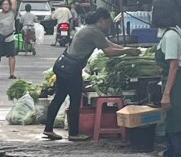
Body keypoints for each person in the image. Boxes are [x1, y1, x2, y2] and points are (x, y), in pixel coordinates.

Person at [43, 9, 137, 141]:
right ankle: (74, 134)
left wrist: (127, 49)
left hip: (63, 65)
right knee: (75, 100)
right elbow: (108, 51)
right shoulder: (94, 32)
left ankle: (48, 129)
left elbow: (109, 44)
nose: (108, 26)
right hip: (71, 69)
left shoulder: (88, 29)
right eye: (107, 23)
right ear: (101, 21)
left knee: (59, 97)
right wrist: (127, 51)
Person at [148, 0, 181, 157]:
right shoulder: (174, 31)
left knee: (175, 127)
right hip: (174, 82)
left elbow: (174, 66)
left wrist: (166, 94)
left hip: (177, 85)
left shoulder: (171, 36)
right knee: (169, 126)